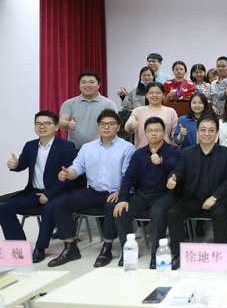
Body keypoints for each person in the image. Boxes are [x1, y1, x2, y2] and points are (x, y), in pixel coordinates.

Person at [47, 110, 135, 268]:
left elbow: (129, 174)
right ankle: (70, 247)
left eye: (111, 124)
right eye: (103, 124)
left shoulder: (127, 147)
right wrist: (67, 173)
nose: (106, 127)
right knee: (59, 204)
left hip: (115, 192)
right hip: (93, 191)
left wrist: (120, 192)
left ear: (118, 127)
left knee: (112, 206)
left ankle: (107, 248)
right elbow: (77, 167)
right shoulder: (87, 148)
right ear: (98, 127)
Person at [2, 111, 78, 263]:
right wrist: (15, 165)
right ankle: (18, 251)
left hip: (59, 192)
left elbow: (68, 177)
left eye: (46, 123)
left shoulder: (67, 146)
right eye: (38, 124)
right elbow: (21, 164)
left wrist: (49, 194)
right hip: (34, 192)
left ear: (56, 127)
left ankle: (40, 248)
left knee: (49, 209)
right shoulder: (30, 146)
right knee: (3, 209)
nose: (41, 127)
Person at [165, 116, 227, 268]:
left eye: (211, 130)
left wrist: (214, 197)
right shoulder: (187, 153)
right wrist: (172, 179)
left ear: (216, 133)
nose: (207, 133)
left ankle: (219, 257)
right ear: (197, 132)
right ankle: (178, 255)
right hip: (193, 197)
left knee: (219, 213)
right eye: (203, 130)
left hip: (218, 199)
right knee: (173, 213)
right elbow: (177, 172)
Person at [113, 117, 181, 269]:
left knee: (158, 212)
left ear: (164, 132)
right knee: (121, 211)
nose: (153, 133)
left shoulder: (173, 150)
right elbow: (129, 177)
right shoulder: (138, 154)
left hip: (166, 195)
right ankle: (128, 251)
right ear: (145, 133)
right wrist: (123, 198)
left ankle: (156, 254)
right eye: (150, 131)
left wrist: (161, 161)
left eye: (157, 130)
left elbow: (175, 165)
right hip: (143, 195)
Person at [59, 71, 117, 150]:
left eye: (91, 82)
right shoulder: (69, 103)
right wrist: (68, 124)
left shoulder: (108, 104)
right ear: (79, 85)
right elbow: (61, 122)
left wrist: (90, 145)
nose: (87, 85)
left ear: (99, 85)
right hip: (74, 150)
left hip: (100, 149)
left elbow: (112, 128)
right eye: (83, 82)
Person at [124, 82, 178, 149]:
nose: (154, 95)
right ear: (146, 95)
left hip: (165, 151)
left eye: (158, 93)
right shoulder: (138, 111)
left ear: (163, 95)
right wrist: (130, 125)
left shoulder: (170, 112)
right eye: (151, 93)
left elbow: (174, 135)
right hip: (142, 151)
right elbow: (128, 129)